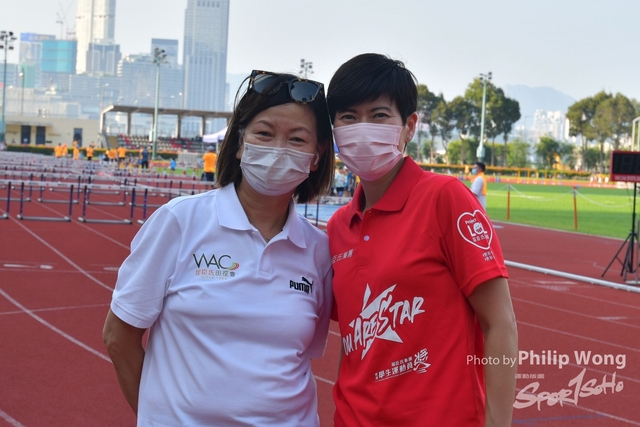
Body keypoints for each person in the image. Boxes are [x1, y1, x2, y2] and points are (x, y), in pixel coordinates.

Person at [102, 69, 336, 426]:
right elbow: (118, 337)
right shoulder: (180, 221)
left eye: (297, 139)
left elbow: (299, 354)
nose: (278, 150)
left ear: (316, 157)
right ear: (240, 143)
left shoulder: (319, 249)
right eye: (264, 134)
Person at [326, 53, 517, 427]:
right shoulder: (337, 227)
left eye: (379, 115)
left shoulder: (446, 199)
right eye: (348, 117)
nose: (362, 129)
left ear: (409, 126)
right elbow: (356, 340)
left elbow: (500, 323)